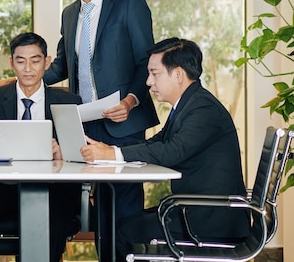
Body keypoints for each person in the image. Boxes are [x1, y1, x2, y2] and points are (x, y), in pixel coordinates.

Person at [80, 37, 250, 261]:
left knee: (122, 233)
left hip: (210, 219)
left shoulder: (203, 109)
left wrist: (112, 154)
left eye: (155, 73)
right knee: (122, 226)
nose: (148, 82)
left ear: (178, 74)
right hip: (193, 210)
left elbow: (171, 152)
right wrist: (110, 150)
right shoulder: (189, 104)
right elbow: (155, 143)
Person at [44, 0, 159, 258]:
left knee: (123, 206)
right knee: (91, 209)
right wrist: (21, 78)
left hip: (124, 121)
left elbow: (145, 62)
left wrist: (130, 101)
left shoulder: (129, 3)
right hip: (84, 123)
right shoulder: (70, 14)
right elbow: (62, 66)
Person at [0, 32, 83, 262]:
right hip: (1, 188)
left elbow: (81, 156)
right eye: (21, 61)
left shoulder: (68, 101)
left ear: (46, 62)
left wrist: (62, 153)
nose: (28, 68)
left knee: (55, 222)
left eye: (35, 60)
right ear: (11, 63)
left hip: (54, 191)